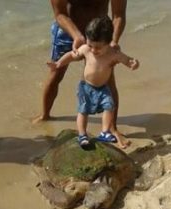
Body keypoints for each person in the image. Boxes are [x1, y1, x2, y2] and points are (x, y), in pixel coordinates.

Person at [35, 0, 129, 147]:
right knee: (56, 72)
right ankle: (45, 115)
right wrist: (77, 36)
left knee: (107, 78)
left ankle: (112, 128)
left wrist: (113, 42)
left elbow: (119, 15)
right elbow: (60, 14)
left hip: (100, 33)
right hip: (67, 30)